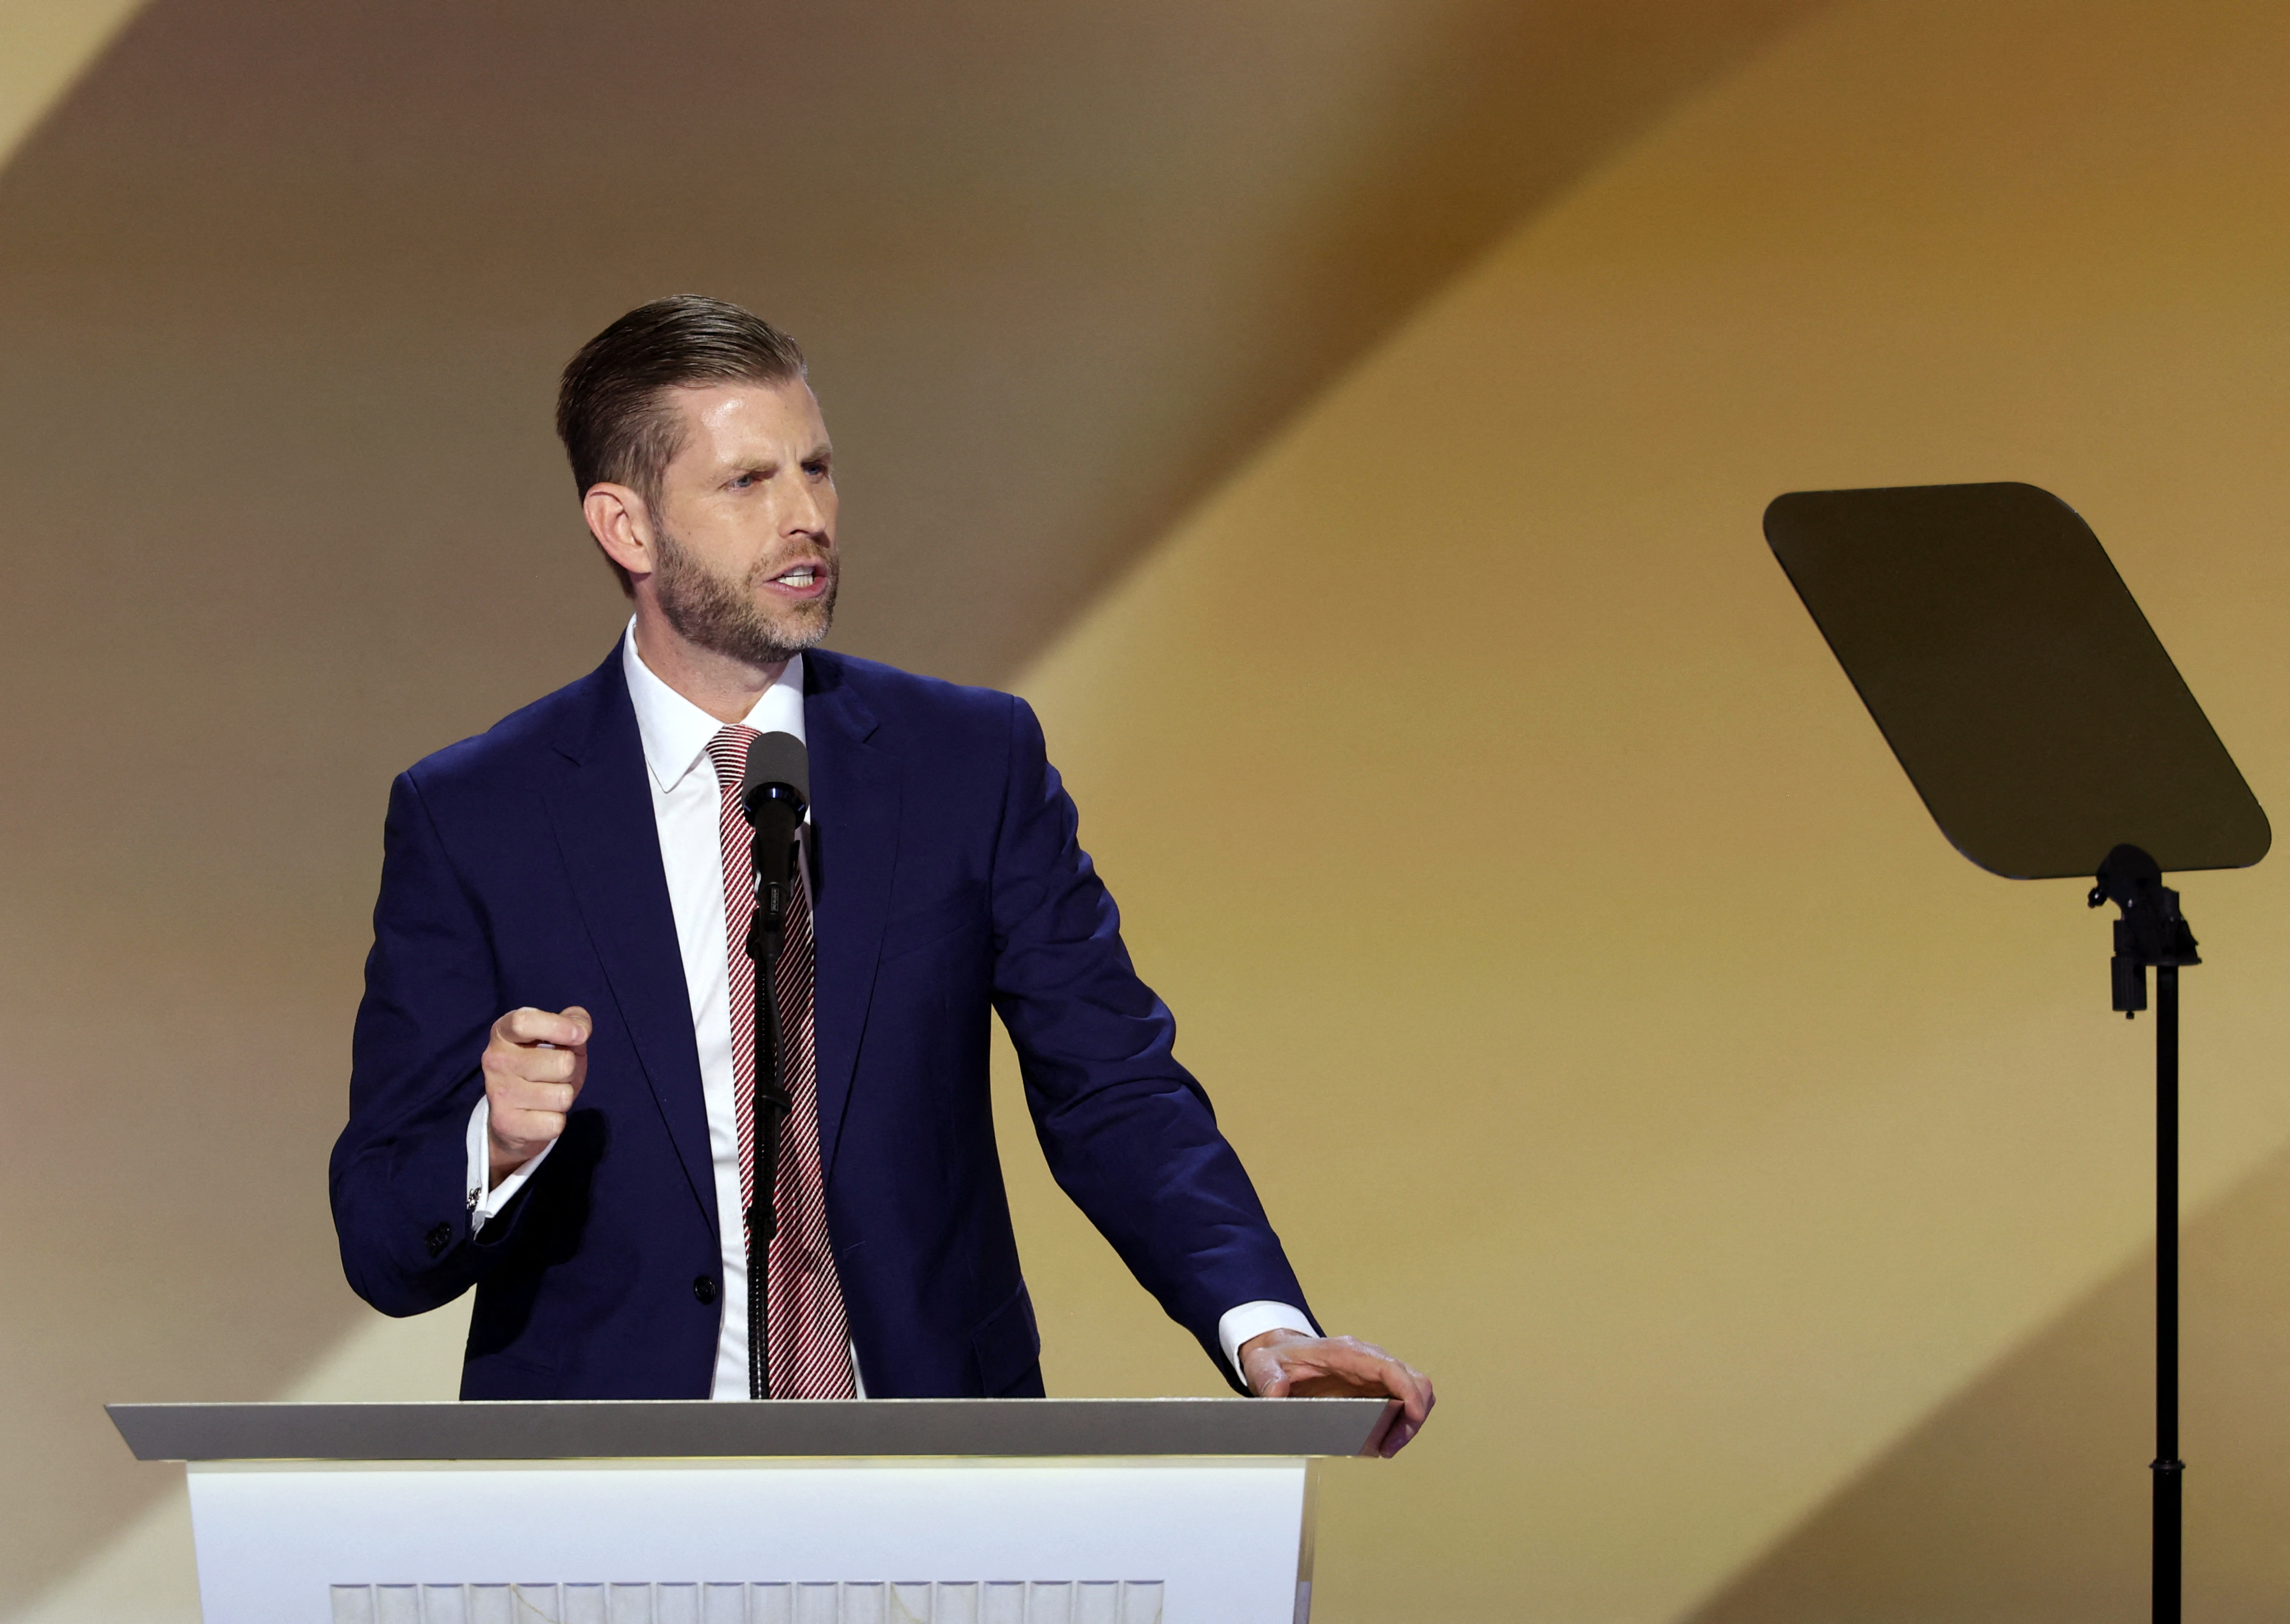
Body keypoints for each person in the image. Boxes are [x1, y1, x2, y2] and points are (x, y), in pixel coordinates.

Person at [329, 296, 1433, 1453]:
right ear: (628, 526)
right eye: (748, 483)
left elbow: (1113, 1083)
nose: (807, 515)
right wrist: (492, 1144)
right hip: (608, 1498)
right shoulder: (477, 813)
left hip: (935, 1465)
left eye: (818, 467)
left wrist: (1257, 1320)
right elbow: (380, 1235)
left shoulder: (969, 761)